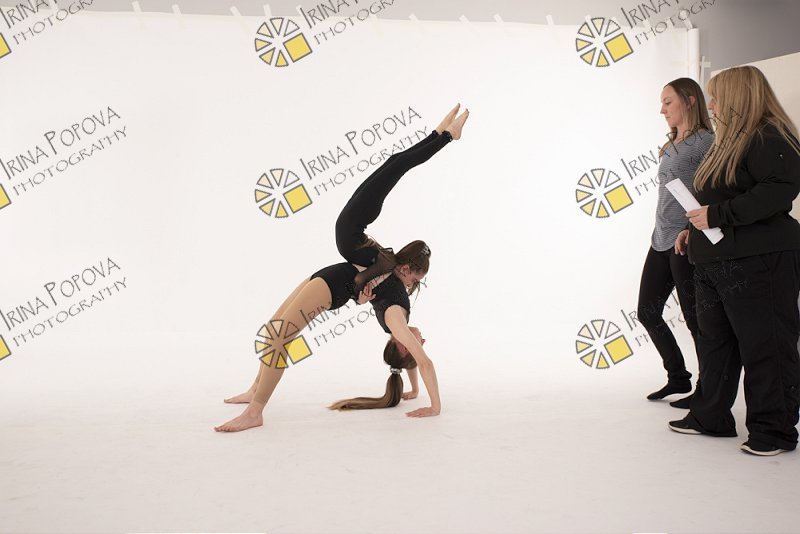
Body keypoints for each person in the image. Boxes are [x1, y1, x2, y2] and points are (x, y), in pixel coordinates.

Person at [214, 105, 470, 432]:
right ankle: (255, 389)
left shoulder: (397, 318)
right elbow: (413, 361)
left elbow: (422, 361)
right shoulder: (396, 308)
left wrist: (435, 407)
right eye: (413, 277)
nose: (423, 338)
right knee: (273, 330)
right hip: (334, 268)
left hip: (333, 284)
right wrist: (414, 390)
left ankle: (256, 411)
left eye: (417, 342)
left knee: (279, 338)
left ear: (402, 344)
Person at [668, 66, 800, 456]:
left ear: (739, 97)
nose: (711, 106)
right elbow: (717, 198)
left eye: (717, 98)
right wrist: (694, 228)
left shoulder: (770, 136)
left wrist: (716, 216)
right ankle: (710, 415)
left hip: (760, 259)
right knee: (716, 343)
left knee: (766, 344)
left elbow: (777, 192)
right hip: (716, 260)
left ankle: (774, 431)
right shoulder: (729, 142)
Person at [641, 78, 714, 406]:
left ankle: (707, 390)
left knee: (696, 320)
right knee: (647, 311)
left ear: (690, 100)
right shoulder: (671, 144)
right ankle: (678, 377)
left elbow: (713, 190)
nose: (662, 110)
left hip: (686, 240)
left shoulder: (706, 142)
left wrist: (691, 228)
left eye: (668, 102)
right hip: (660, 239)